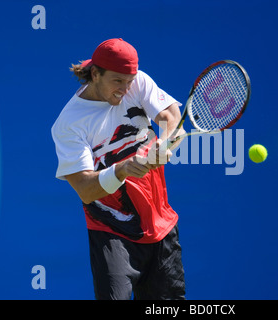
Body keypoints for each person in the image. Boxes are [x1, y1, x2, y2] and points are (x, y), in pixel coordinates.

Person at [51, 38, 186, 300]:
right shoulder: (69, 124)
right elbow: (86, 190)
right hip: (111, 232)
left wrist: (167, 144)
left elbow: (171, 117)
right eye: (117, 81)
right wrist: (121, 170)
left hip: (160, 224)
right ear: (95, 73)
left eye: (129, 81)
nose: (125, 89)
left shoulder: (138, 82)